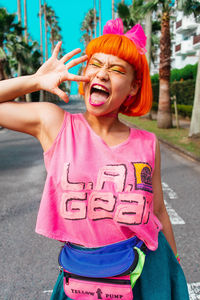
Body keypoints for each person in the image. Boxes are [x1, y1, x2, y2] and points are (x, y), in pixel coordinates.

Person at [0, 18, 189, 300]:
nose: (101, 74)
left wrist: (173, 267)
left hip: (147, 273)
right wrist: (35, 81)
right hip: (83, 275)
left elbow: (159, 211)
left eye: (115, 69)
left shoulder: (148, 142)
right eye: (95, 65)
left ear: (134, 88)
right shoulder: (54, 124)